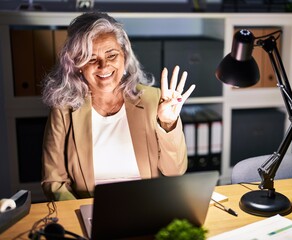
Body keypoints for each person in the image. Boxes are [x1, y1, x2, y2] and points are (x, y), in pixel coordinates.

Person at [41, 12, 195, 201]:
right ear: (77, 64)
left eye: (111, 55)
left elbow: (175, 172)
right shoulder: (63, 109)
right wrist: (80, 212)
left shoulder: (155, 100)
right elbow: (53, 181)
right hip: (90, 208)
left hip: (147, 204)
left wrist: (168, 124)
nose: (103, 66)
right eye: (91, 58)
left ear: (125, 56)